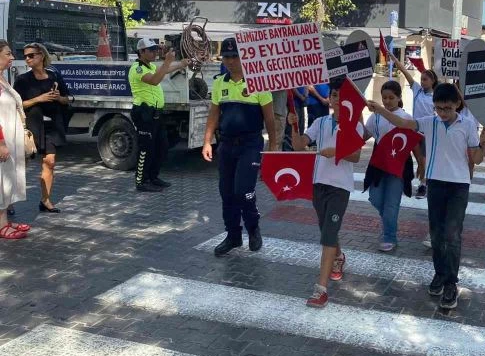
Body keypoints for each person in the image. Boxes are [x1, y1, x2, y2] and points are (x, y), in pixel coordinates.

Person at [367, 83, 485, 309]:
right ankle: (440, 275)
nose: (442, 113)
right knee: (436, 234)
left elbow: (477, 159)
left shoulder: (469, 125)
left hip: (459, 186)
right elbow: (403, 123)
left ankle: (451, 282)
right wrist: (380, 109)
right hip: (435, 183)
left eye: (447, 109)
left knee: (452, 235)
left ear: (457, 105)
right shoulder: (429, 122)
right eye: (439, 108)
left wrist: (483, 142)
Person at [289, 78, 363, 308]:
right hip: (318, 183)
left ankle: (320, 290)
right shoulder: (320, 122)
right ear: (329, 99)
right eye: (333, 96)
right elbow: (299, 145)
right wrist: (293, 126)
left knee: (329, 234)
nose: (337, 100)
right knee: (326, 229)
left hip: (340, 187)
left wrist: (336, 151)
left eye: (341, 96)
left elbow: (356, 156)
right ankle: (339, 257)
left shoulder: (355, 125)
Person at [203, 38, 277, 257]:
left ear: (243, 57)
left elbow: (270, 119)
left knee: (243, 191)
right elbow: (214, 114)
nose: (231, 61)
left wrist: (272, 146)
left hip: (251, 144)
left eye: (235, 56)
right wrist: (207, 141)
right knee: (227, 193)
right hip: (226, 145)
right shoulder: (219, 83)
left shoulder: (259, 82)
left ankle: (253, 229)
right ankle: (233, 236)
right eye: (226, 57)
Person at [363, 80, 419, 252]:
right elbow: (364, 135)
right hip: (378, 164)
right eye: (384, 98)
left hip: (399, 166)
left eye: (391, 98)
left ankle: (390, 236)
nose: (387, 101)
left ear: (399, 97)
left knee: (391, 204)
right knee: (375, 198)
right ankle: (389, 220)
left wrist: (422, 166)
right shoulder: (375, 116)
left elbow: (415, 145)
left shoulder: (406, 118)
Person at [13, 43, 69, 212]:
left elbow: (67, 99)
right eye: (25, 56)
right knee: (21, 165)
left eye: (31, 55)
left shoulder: (54, 76)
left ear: (41, 56)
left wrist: (59, 98)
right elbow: (18, 104)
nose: (27, 59)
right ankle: (7, 202)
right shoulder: (23, 80)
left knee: (50, 161)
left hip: (52, 125)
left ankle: (45, 200)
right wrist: (39, 99)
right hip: (32, 126)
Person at [129, 38, 189, 192]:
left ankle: (153, 177)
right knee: (145, 149)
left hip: (155, 114)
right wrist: (168, 62)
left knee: (161, 147)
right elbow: (155, 80)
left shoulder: (149, 66)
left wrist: (181, 63)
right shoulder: (137, 69)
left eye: (156, 50)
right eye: (151, 50)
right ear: (142, 52)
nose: (155, 52)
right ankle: (141, 181)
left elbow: (165, 69)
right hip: (144, 113)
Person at [389, 50, 437, 199]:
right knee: (417, 161)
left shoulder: (437, 95)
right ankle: (413, 180)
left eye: (425, 80)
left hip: (428, 131)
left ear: (433, 81)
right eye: (421, 79)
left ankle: (423, 185)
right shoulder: (417, 90)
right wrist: (394, 59)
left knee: (424, 161)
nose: (422, 82)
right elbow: (404, 72)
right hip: (414, 131)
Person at [0, 41, 28, 240]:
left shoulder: (3, 80)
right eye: (8, 54)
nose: (12, 57)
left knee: (8, 180)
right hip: (2, 140)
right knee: (1, 181)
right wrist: (1, 143)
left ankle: (5, 222)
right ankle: (2, 225)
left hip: (10, 139)